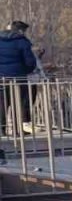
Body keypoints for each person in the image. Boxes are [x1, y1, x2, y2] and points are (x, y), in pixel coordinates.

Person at [0, 21, 38, 161]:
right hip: (18, 77)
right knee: (19, 103)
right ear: (20, 30)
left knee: (3, 103)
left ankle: (2, 129)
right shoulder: (22, 41)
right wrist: (25, 71)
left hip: (1, 78)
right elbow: (30, 61)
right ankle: (17, 130)